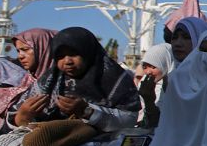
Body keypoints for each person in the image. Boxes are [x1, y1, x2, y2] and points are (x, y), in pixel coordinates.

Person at [7, 27, 141, 132]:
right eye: (60, 56)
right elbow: (16, 114)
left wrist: (88, 112)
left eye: (74, 54)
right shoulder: (49, 80)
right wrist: (22, 116)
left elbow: (129, 119)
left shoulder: (113, 79)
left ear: (88, 53)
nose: (67, 61)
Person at [0, 28, 56, 138]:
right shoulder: (22, 86)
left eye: (25, 49)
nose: (20, 56)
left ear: (44, 49)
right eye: (18, 51)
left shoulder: (66, 85)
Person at [137, 43, 174, 128]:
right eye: (145, 67)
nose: (148, 72)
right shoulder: (144, 85)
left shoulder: (178, 85)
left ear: (166, 63)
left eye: (153, 66)